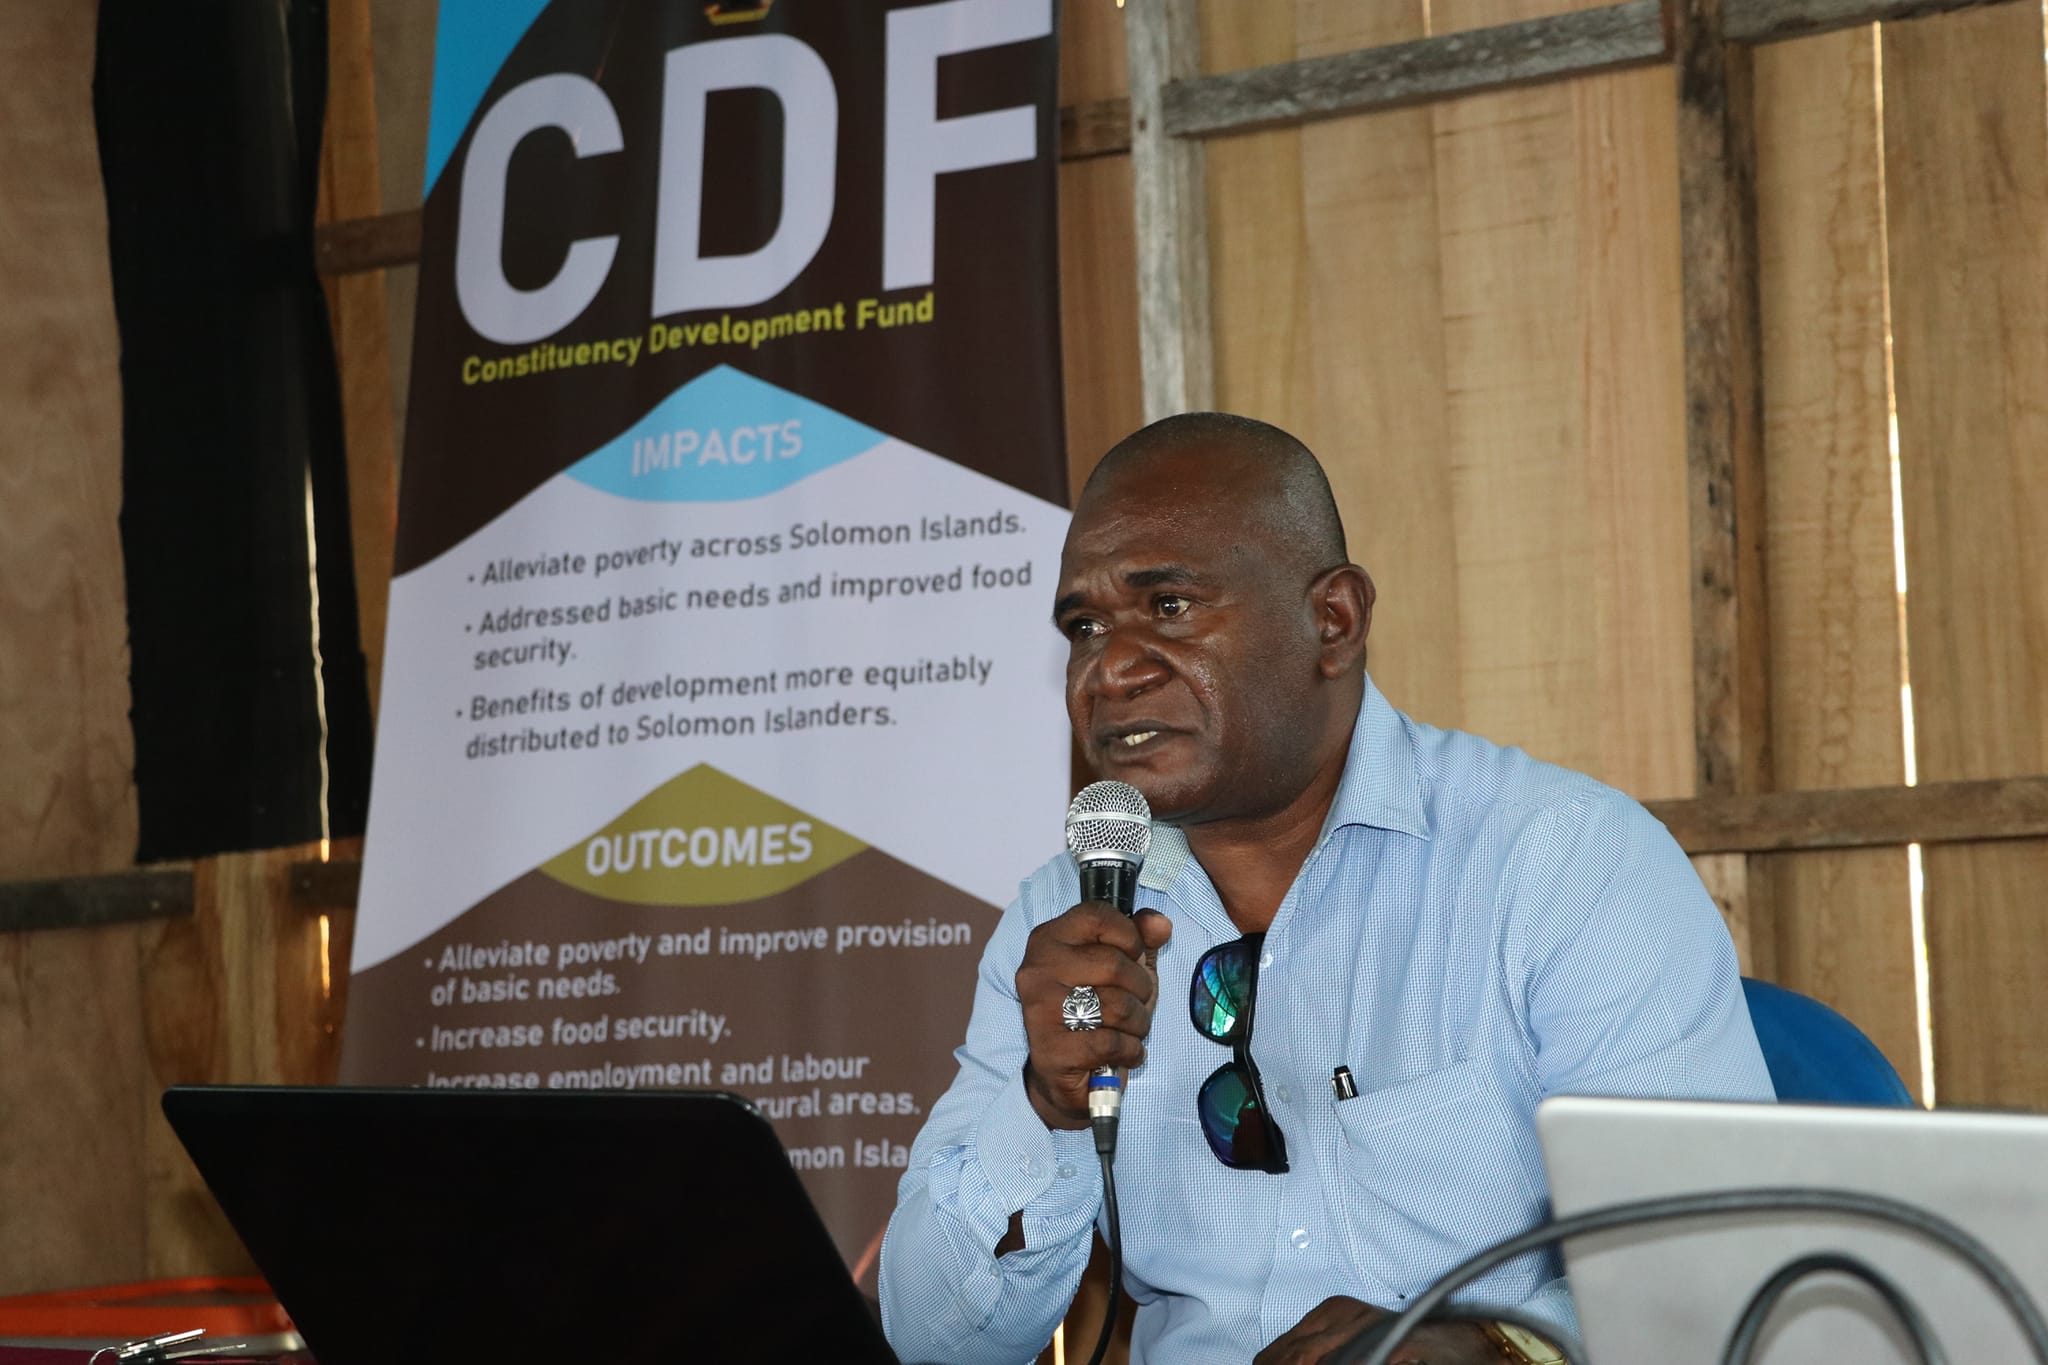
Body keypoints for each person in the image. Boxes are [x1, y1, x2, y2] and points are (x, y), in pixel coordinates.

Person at [878, 413, 1774, 1364]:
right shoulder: (1065, 923)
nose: (1111, 668)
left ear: (1334, 621)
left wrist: (1490, 1348)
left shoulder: (1561, 861)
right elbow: (933, 1340)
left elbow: (1721, 1274)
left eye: (1169, 605)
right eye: (1085, 627)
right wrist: (1044, 1103)